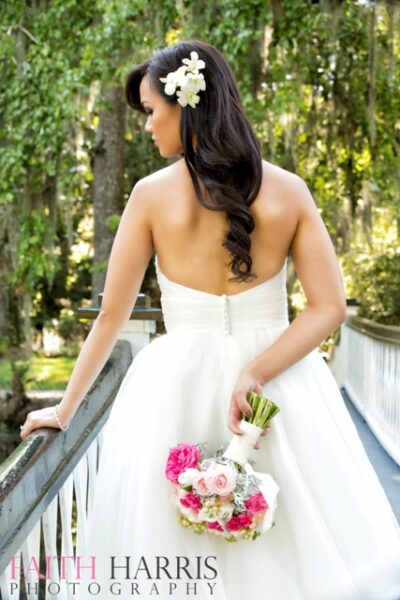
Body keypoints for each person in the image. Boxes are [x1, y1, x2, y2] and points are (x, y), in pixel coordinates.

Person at [19, 39, 400, 600]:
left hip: (174, 381)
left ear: (186, 105)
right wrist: (256, 372)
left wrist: (66, 408)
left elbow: (110, 317)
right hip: (279, 385)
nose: (147, 127)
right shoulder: (289, 190)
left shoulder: (149, 197)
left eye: (152, 112)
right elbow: (329, 308)